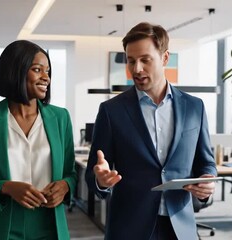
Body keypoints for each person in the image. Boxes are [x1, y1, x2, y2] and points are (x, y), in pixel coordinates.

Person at [85, 22, 217, 240]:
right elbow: (93, 173)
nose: (137, 69)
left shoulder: (195, 107)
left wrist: (207, 179)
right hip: (129, 228)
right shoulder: (111, 111)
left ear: (165, 58)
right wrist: (101, 180)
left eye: (145, 60)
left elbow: (206, 162)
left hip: (180, 228)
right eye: (131, 61)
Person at [0, 40, 77, 240]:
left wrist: (65, 186)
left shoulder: (60, 118)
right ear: (16, 71)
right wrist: (6, 187)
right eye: (37, 70)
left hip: (50, 226)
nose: (46, 78)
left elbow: (70, 173)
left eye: (48, 71)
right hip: (1, 226)